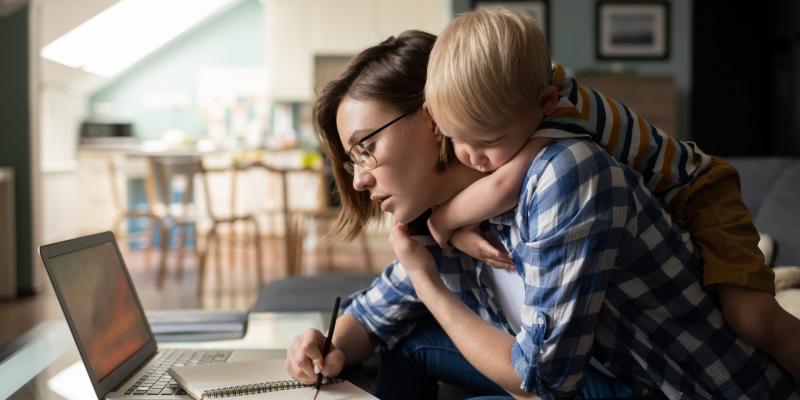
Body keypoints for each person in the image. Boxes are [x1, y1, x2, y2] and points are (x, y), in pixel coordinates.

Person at [284, 28, 798, 399]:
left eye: (365, 148)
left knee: (755, 317)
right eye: (351, 160)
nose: (358, 178)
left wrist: (429, 284)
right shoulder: (435, 219)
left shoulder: (561, 167)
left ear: (432, 115)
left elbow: (542, 381)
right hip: (585, 379)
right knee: (405, 344)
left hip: (677, 388)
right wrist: (327, 348)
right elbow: (374, 312)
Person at [424, 7, 800, 380]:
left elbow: (502, 188)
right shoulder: (518, 103)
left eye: (487, 141)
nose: (471, 157)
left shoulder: (560, 124)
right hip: (668, 209)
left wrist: (443, 220)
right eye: (455, 138)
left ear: (546, 102)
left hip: (702, 193)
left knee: (752, 320)